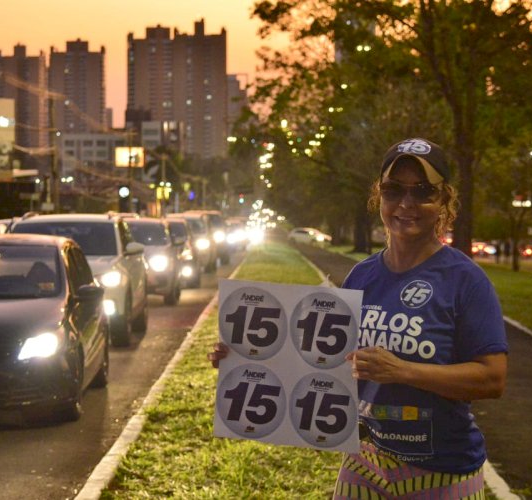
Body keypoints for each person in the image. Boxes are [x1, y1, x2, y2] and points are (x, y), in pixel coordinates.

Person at [208, 138, 508, 499]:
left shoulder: (465, 280)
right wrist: (245, 355)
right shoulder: (361, 277)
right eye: (393, 190)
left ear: (444, 200)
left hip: (443, 472)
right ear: (378, 197)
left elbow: (492, 378)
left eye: (423, 191)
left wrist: (403, 370)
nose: (406, 204)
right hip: (366, 462)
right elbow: (326, 363)